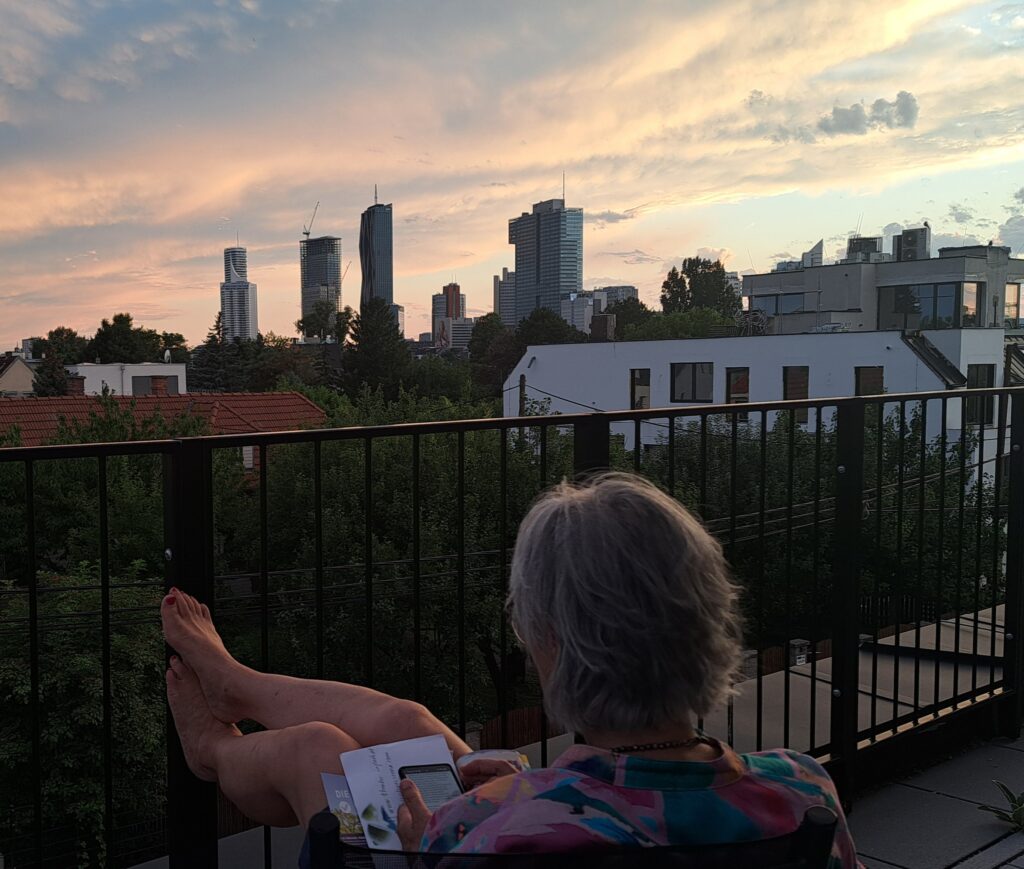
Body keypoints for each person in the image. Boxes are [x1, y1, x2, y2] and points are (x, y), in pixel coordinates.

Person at [163, 472, 858, 867]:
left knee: (316, 751)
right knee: (408, 722)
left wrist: (425, 846)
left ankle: (213, 748)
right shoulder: (802, 792)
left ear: (550, 642)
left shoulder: (489, 834)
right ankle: (235, 683)